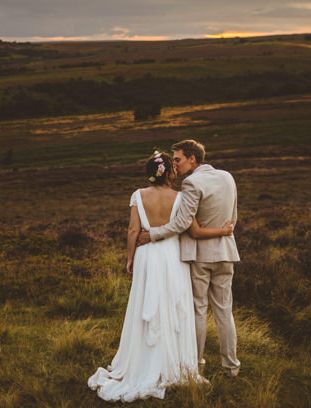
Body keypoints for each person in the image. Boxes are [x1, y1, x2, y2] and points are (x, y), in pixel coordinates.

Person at [88, 150, 232, 402]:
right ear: (170, 172)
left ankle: (144, 359)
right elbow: (192, 229)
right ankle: (174, 362)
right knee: (175, 306)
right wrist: (223, 230)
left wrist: (130, 258)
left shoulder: (138, 195)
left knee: (146, 304)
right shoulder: (180, 197)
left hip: (146, 255)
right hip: (172, 255)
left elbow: (133, 230)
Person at [137, 139, 241, 377]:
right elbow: (232, 217)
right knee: (225, 310)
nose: (175, 164)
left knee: (199, 310)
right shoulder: (228, 177)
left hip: (202, 256)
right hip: (226, 252)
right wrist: (223, 231)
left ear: (192, 158)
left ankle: (196, 365)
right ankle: (231, 367)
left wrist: (153, 234)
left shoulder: (192, 183)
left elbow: (183, 223)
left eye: (178, 159)